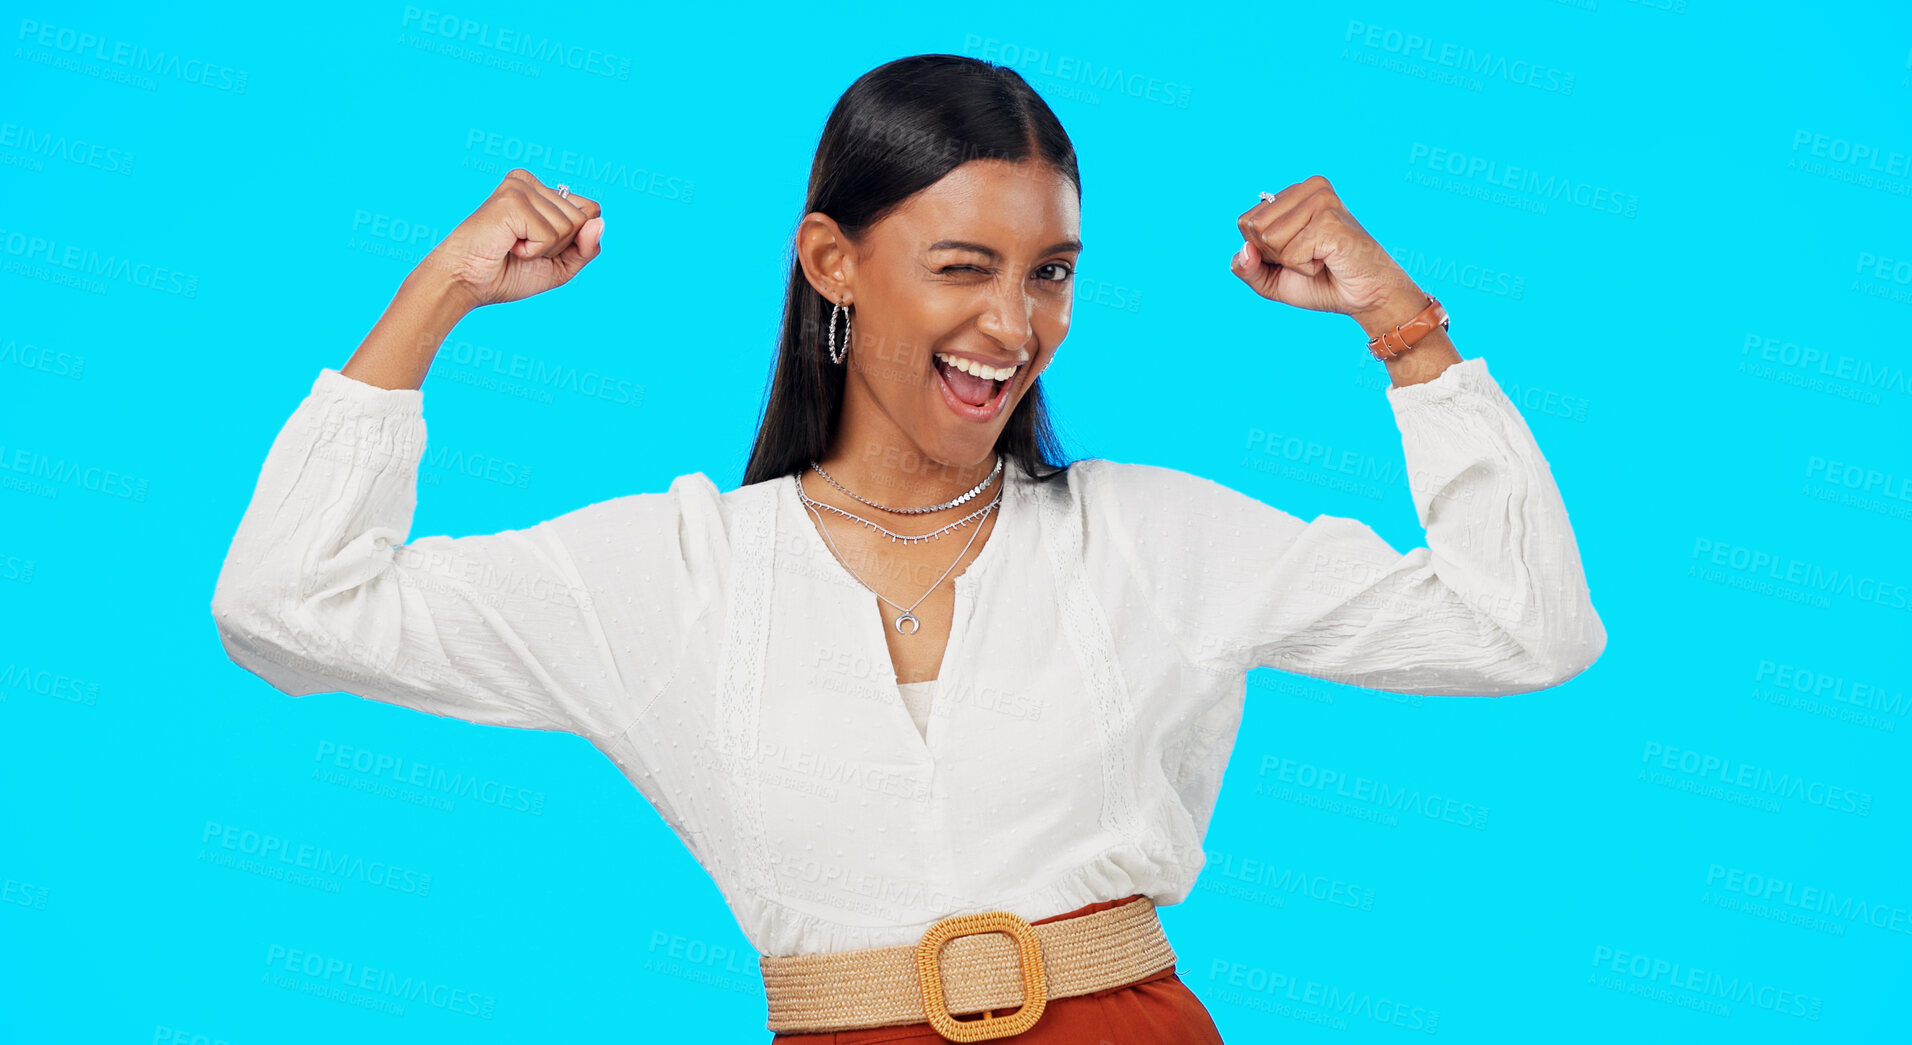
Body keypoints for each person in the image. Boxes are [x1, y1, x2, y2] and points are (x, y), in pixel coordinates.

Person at [210, 53, 1605, 1044]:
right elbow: (287, 609)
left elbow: (1522, 627)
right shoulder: (670, 571)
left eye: (1048, 271)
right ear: (832, 262)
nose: (1015, 323)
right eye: (962, 266)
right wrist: (435, 295)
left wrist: (1406, 331)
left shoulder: (1155, 534)